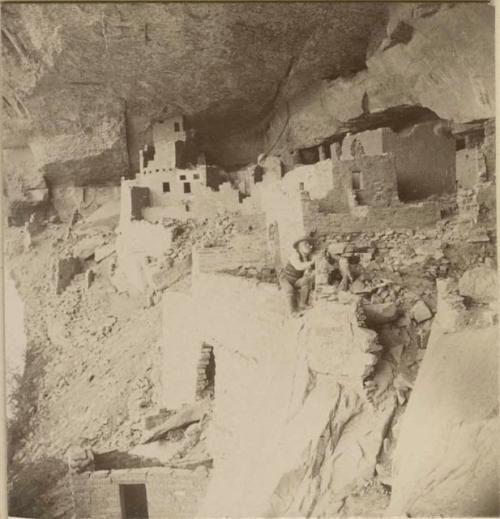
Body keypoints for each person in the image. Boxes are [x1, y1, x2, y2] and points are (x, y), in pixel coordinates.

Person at [279, 237, 315, 315]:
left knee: (306, 280)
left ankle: (303, 304)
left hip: (296, 280)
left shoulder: (306, 257)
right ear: (300, 247)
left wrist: (309, 273)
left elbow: (306, 271)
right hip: (286, 279)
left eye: (309, 244)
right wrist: (311, 263)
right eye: (306, 244)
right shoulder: (294, 255)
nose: (310, 246)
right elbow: (298, 266)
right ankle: (293, 312)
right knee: (290, 290)